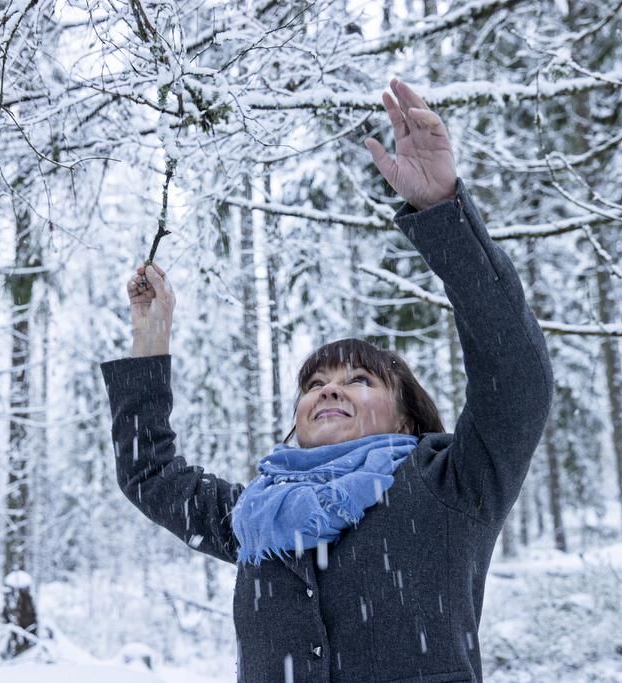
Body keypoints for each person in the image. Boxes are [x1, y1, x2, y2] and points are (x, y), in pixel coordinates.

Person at [101, 79, 553, 683]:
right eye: (315, 383)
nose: (329, 390)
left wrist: (442, 209)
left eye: (360, 379)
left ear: (409, 418)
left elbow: (515, 373)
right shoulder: (256, 517)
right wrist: (150, 339)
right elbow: (149, 473)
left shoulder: (452, 483)